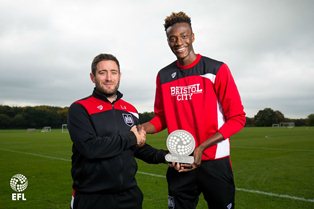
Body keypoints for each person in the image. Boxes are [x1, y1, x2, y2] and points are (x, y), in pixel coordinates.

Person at [142, 12, 246, 209]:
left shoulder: (217, 69)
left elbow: (237, 118)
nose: (178, 42)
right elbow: (161, 118)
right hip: (179, 162)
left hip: (215, 161)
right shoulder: (164, 76)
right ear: (168, 42)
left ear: (192, 37)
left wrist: (202, 147)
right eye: (172, 38)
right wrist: (142, 128)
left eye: (183, 36)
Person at [67, 53, 167, 209]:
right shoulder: (79, 108)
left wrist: (166, 156)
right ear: (92, 77)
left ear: (119, 76)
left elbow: (136, 147)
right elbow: (90, 148)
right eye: (102, 72)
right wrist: (132, 138)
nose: (109, 78)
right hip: (92, 198)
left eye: (113, 72)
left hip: (129, 196)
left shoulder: (131, 110)